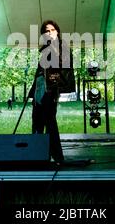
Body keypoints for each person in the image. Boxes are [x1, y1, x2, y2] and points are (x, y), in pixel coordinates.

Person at [29, 20, 75, 164]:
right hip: (40, 90)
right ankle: (38, 154)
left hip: (52, 89)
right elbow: (40, 72)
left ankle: (57, 156)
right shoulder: (44, 49)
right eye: (46, 31)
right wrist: (33, 91)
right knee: (37, 121)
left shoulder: (63, 47)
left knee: (50, 122)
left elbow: (64, 68)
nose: (50, 33)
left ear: (57, 31)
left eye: (52, 30)